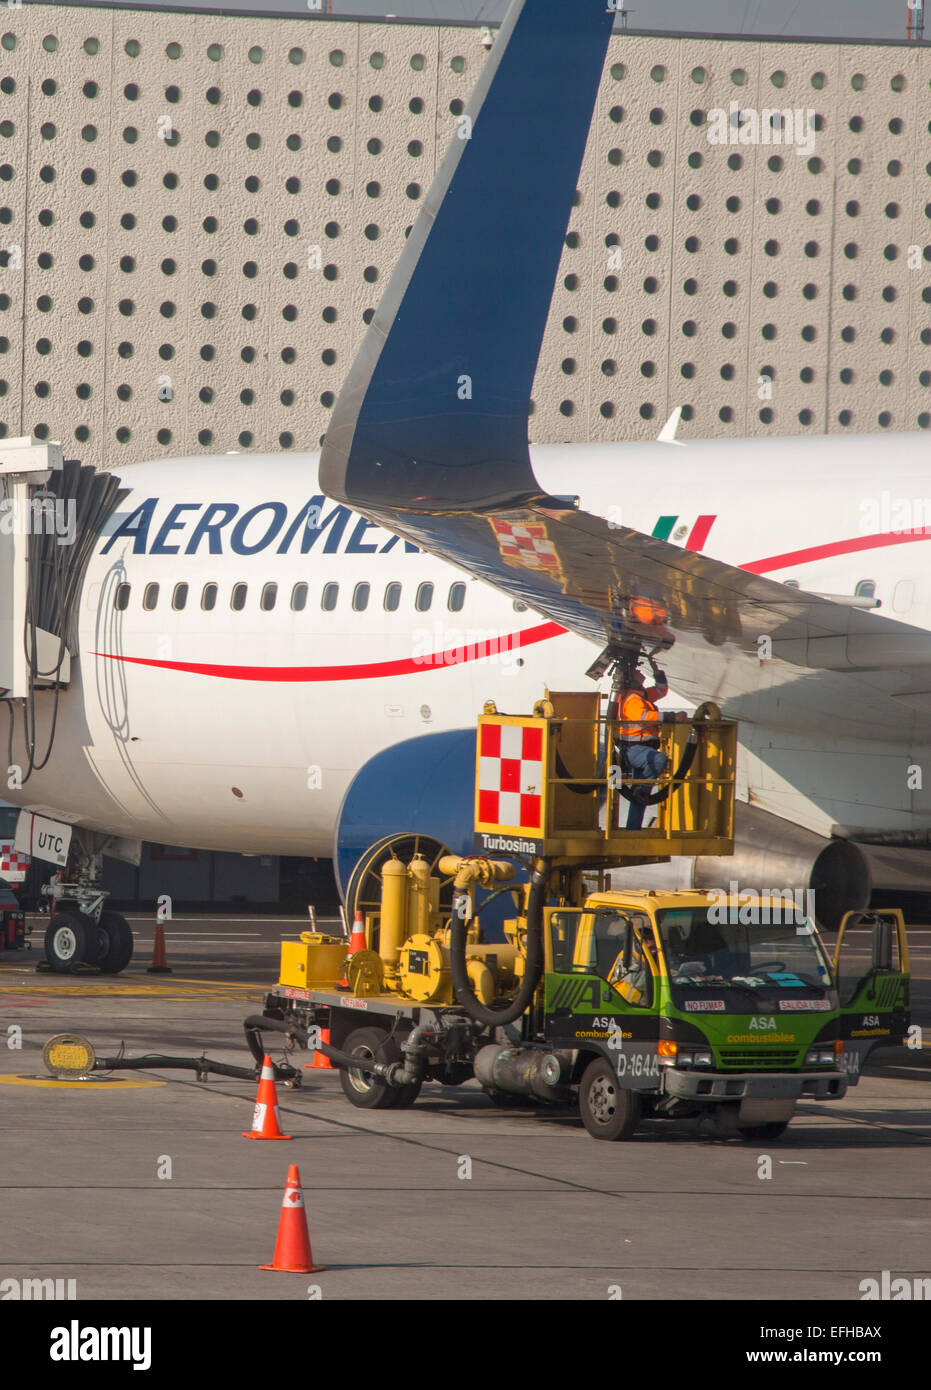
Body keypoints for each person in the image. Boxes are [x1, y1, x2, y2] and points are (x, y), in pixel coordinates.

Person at [614, 656, 688, 829]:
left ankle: (633, 828)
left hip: (642, 749)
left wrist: (656, 670)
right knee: (659, 760)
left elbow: (662, 690)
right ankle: (641, 793)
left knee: (639, 795)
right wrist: (673, 717)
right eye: (636, 671)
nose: (640, 672)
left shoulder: (641, 696)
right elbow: (644, 718)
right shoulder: (632, 699)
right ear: (631, 679)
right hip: (634, 750)